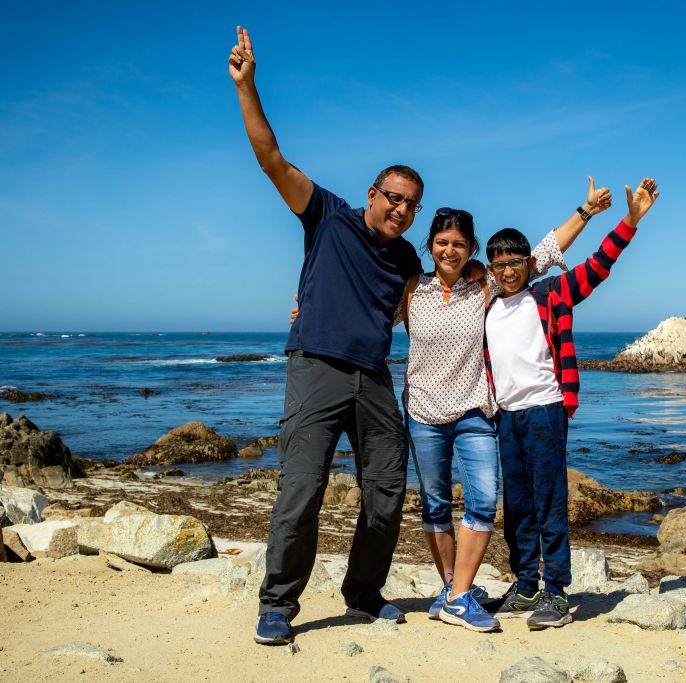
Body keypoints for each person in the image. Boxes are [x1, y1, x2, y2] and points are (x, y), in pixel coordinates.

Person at [229, 26, 429, 645]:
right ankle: (278, 604)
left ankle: (363, 592)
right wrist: (247, 87)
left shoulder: (407, 259)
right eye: (393, 197)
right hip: (316, 368)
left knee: (387, 491)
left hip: (374, 377)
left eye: (411, 204)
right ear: (373, 194)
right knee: (302, 490)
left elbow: (410, 307)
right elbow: (272, 159)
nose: (400, 209)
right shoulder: (327, 215)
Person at [401, 180, 611, 633]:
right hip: (452, 415)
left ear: (472, 250)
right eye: (442, 242)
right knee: (474, 506)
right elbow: (372, 315)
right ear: (430, 245)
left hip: (500, 412)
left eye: (459, 244)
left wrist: (589, 212)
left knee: (512, 502)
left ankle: (531, 591)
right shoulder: (422, 290)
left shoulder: (497, 286)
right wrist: (309, 313)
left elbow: (552, 252)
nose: (450, 251)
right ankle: (486, 586)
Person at [484, 178, 660, 630]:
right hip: (506, 418)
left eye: (516, 262)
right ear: (490, 268)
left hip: (546, 411)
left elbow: (599, 265)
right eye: (500, 264)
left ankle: (557, 591)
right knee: (517, 506)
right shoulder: (487, 307)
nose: (508, 271)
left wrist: (629, 221)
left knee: (550, 502)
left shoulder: (550, 293)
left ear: (530, 263)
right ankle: (526, 586)